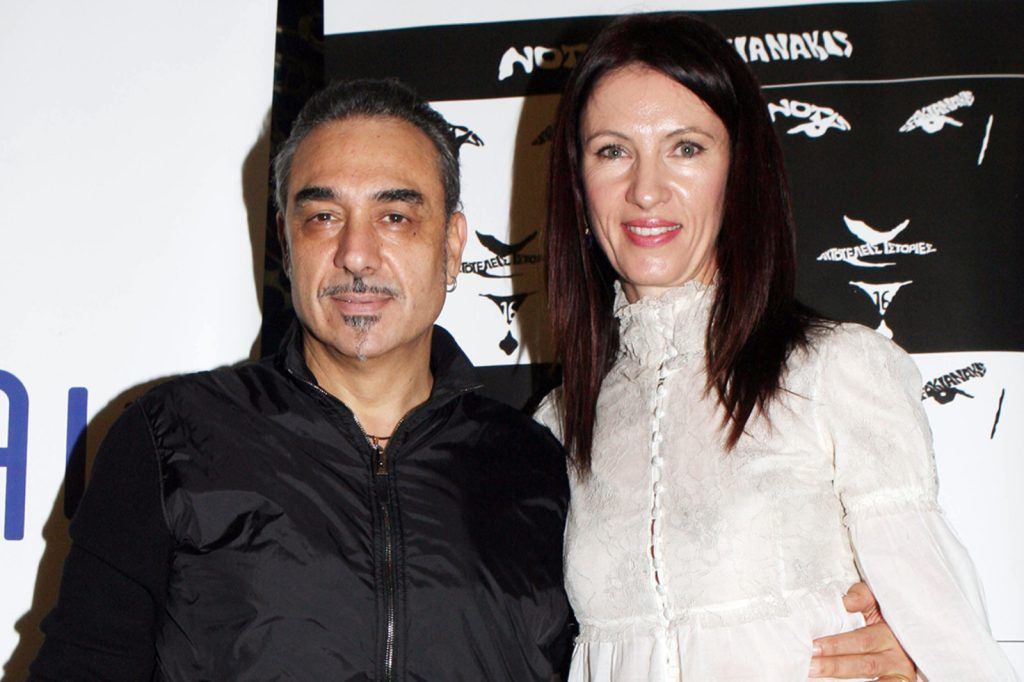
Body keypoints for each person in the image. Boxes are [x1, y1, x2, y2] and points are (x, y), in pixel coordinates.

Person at [29, 78, 574, 680]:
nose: (356, 254)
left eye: (395, 217)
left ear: (451, 246)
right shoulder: (171, 440)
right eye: (322, 217)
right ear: (286, 246)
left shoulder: (537, 468)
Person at [536, 12, 1018, 682]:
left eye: (686, 148)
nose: (646, 190)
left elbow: (952, 642)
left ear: (740, 171)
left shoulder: (835, 371)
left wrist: (920, 664)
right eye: (613, 151)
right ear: (578, 182)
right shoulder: (558, 426)